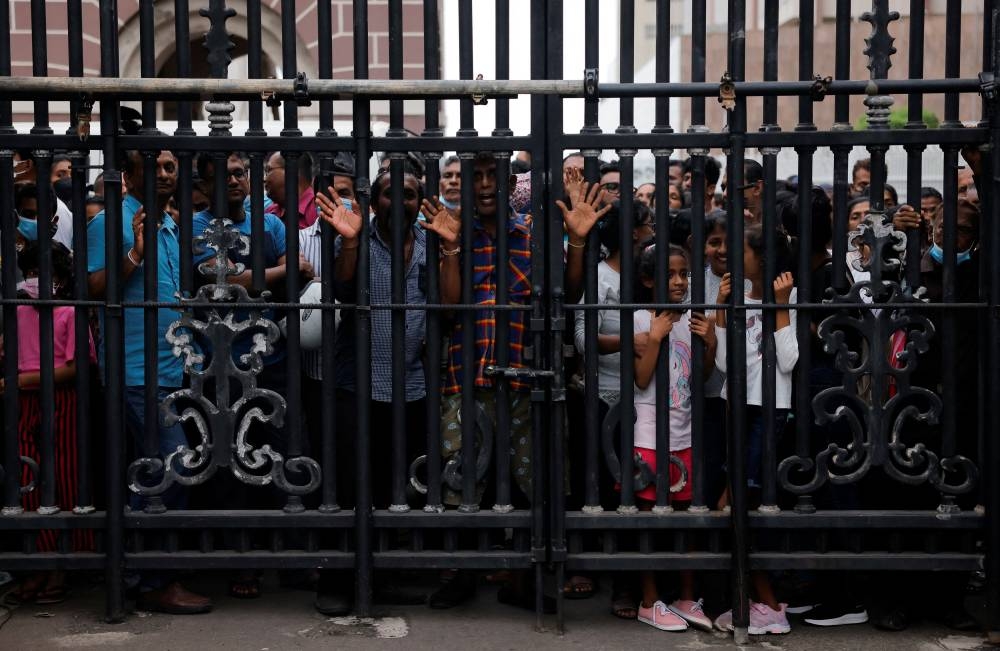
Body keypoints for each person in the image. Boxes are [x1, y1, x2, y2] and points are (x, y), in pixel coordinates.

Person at [418, 153, 607, 610]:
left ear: (507, 185)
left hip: (528, 377)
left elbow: (569, 293)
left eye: (492, 177)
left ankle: (526, 580)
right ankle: (461, 574)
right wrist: (448, 248)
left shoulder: (532, 237)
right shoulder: (453, 232)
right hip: (468, 374)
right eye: (475, 177)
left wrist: (577, 242)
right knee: (460, 476)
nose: (483, 185)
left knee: (535, 479)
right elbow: (449, 307)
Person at [86, 149, 212, 614]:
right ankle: (144, 578)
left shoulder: (168, 222)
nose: (164, 174)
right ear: (129, 173)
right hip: (137, 371)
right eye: (154, 167)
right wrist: (134, 254)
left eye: (170, 167)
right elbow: (93, 289)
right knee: (169, 467)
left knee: (162, 471)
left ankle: (140, 571)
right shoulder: (112, 221)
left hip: (172, 368)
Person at [310, 167, 430, 615]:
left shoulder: (429, 243)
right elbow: (342, 289)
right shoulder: (359, 237)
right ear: (375, 200)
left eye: (410, 194)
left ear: (420, 201)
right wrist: (352, 241)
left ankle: (383, 577)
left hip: (410, 385)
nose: (398, 201)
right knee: (346, 484)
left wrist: (451, 249)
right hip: (355, 383)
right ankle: (337, 579)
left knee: (394, 489)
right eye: (388, 194)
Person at [713, 224, 797, 636]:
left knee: (740, 503)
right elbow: (726, 367)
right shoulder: (737, 298)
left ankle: (768, 605)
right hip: (737, 406)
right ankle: (756, 600)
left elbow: (788, 362)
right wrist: (720, 310)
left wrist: (780, 305)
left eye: (738, 249)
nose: (731, 256)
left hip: (769, 410)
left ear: (760, 257)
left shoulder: (788, 296)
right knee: (736, 504)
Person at [571, 200, 655, 617]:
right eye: (646, 224)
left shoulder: (651, 275)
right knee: (602, 485)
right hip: (604, 396)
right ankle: (589, 564)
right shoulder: (601, 277)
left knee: (636, 487)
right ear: (632, 232)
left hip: (648, 396)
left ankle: (628, 579)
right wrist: (630, 341)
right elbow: (585, 340)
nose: (652, 229)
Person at [630, 244, 716, 633]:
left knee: (687, 518)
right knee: (649, 520)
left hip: (685, 431)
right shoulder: (639, 318)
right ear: (649, 281)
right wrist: (656, 336)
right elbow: (642, 378)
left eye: (685, 274)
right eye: (671, 275)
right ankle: (649, 600)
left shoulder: (692, 319)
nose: (680, 282)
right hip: (649, 433)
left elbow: (700, 375)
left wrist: (710, 342)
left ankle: (685, 596)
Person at [5, 240, 95, 605]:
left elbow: (78, 367)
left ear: (60, 278)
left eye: (45, 274)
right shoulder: (18, 311)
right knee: (27, 482)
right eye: (29, 273)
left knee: (64, 480)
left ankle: (61, 563)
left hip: (60, 400)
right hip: (22, 404)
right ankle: (35, 564)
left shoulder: (70, 313)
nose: (36, 280)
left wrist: (20, 381)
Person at [264, 151, 318, 229]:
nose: (265, 179)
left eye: (268, 170)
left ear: (291, 171)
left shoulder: (318, 209)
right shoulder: (270, 211)